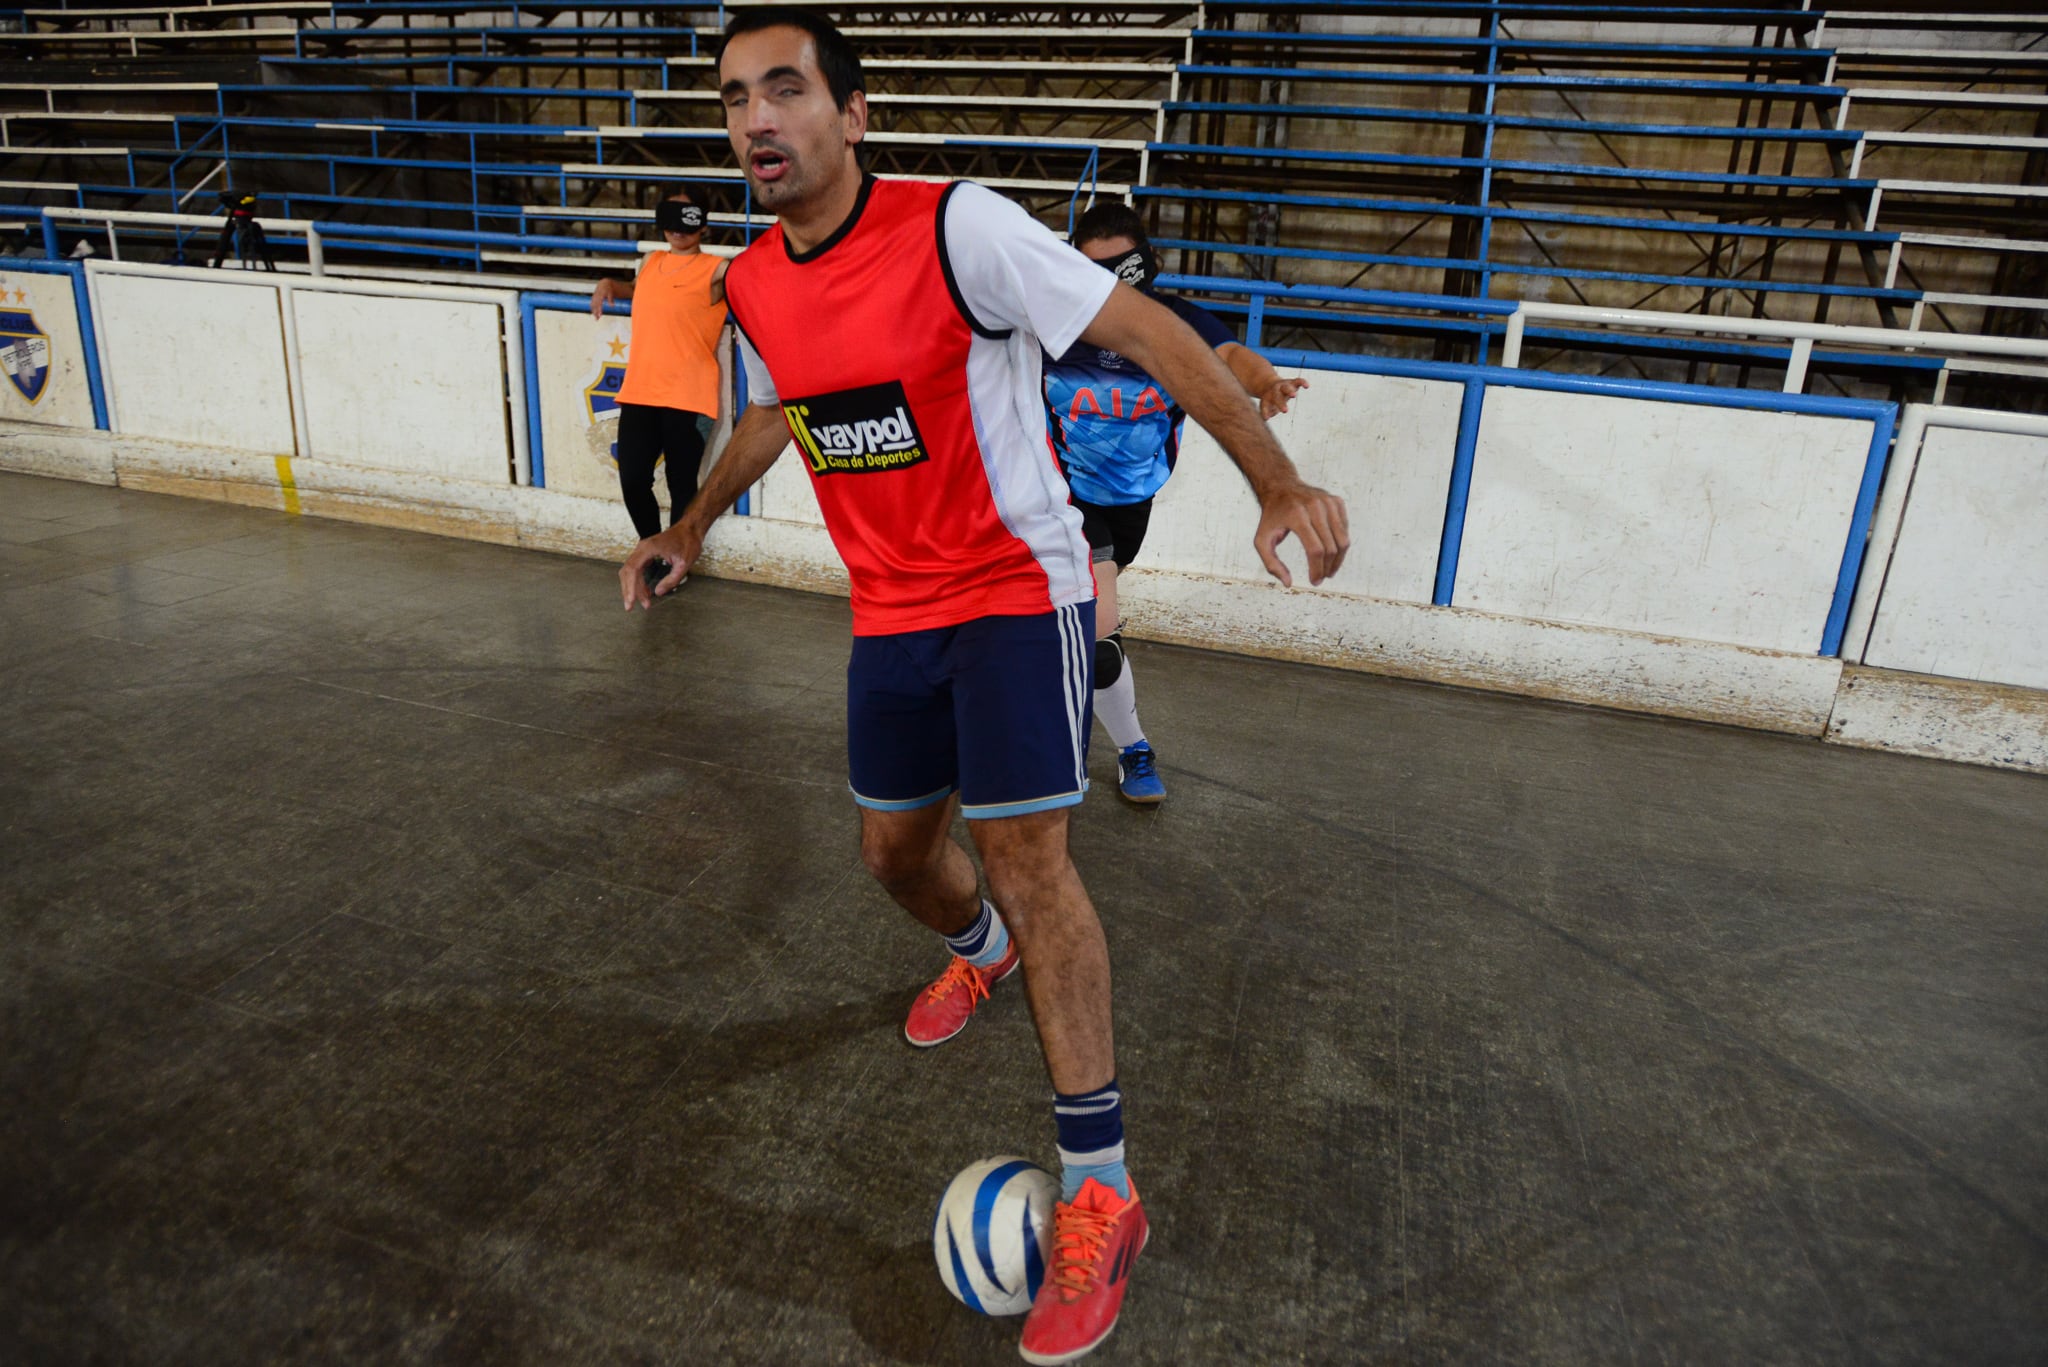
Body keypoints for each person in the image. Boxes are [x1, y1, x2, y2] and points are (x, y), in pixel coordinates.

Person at [618, 10, 1349, 1363]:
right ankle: (984, 959)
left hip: (1018, 590)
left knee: (1027, 854)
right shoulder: (757, 281)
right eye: (734, 100)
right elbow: (782, 408)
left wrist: (1276, 477)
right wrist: (694, 523)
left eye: (786, 91)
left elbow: (1145, 330)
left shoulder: (961, 228)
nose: (757, 121)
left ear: (853, 111)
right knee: (894, 853)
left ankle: (1104, 1190)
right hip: (891, 612)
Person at [1046, 203, 1309, 805]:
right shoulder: (1053, 324)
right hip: (1061, 495)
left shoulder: (1173, 324)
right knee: (1095, 623)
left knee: (1088, 634)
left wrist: (1267, 383)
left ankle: (1099, 741)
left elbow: (1231, 359)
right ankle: (1111, 749)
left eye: (1120, 269)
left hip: (1134, 500)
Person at [590, 189, 728, 596]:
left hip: (689, 393)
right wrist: (607, 282)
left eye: (686, 218)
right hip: (641, 390)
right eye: (669, 217)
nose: (676, 228)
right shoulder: (651, 262)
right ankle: (652, 548)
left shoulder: (719, 270)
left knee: (681, 482)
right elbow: (639, 290)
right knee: (633, 478)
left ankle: (675, 563)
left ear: (702, 224)